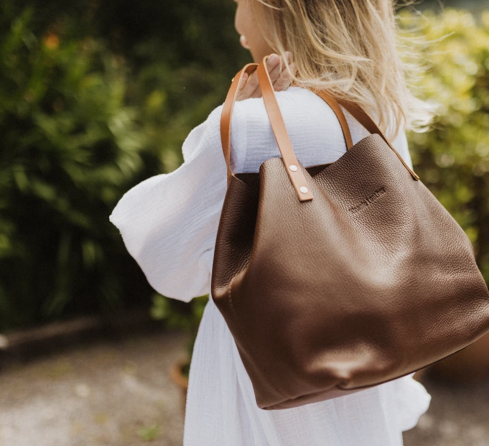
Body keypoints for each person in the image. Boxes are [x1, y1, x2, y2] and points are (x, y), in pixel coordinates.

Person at [110, 0, 433, 444]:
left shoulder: (253, 123)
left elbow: (168, 260)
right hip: (364, 366)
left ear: (283, 8)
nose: (237, 20)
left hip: (263, 380)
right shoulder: (376, 107)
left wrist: (222, 124)